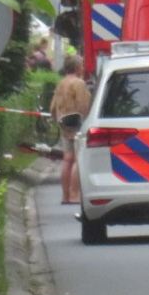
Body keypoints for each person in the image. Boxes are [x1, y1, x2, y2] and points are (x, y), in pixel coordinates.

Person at [50, 55, 92, 206]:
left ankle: (65, 195)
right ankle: (75, 195)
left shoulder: (61, 83)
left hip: (63, 123)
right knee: (77, 159)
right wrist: (87, 120)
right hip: (76, 123)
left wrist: (58, 120)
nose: (83, 68)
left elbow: (52, 107)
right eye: (82, 65)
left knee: (67, 159)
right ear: (76, 67)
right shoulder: (78, 83)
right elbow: (83, 105)